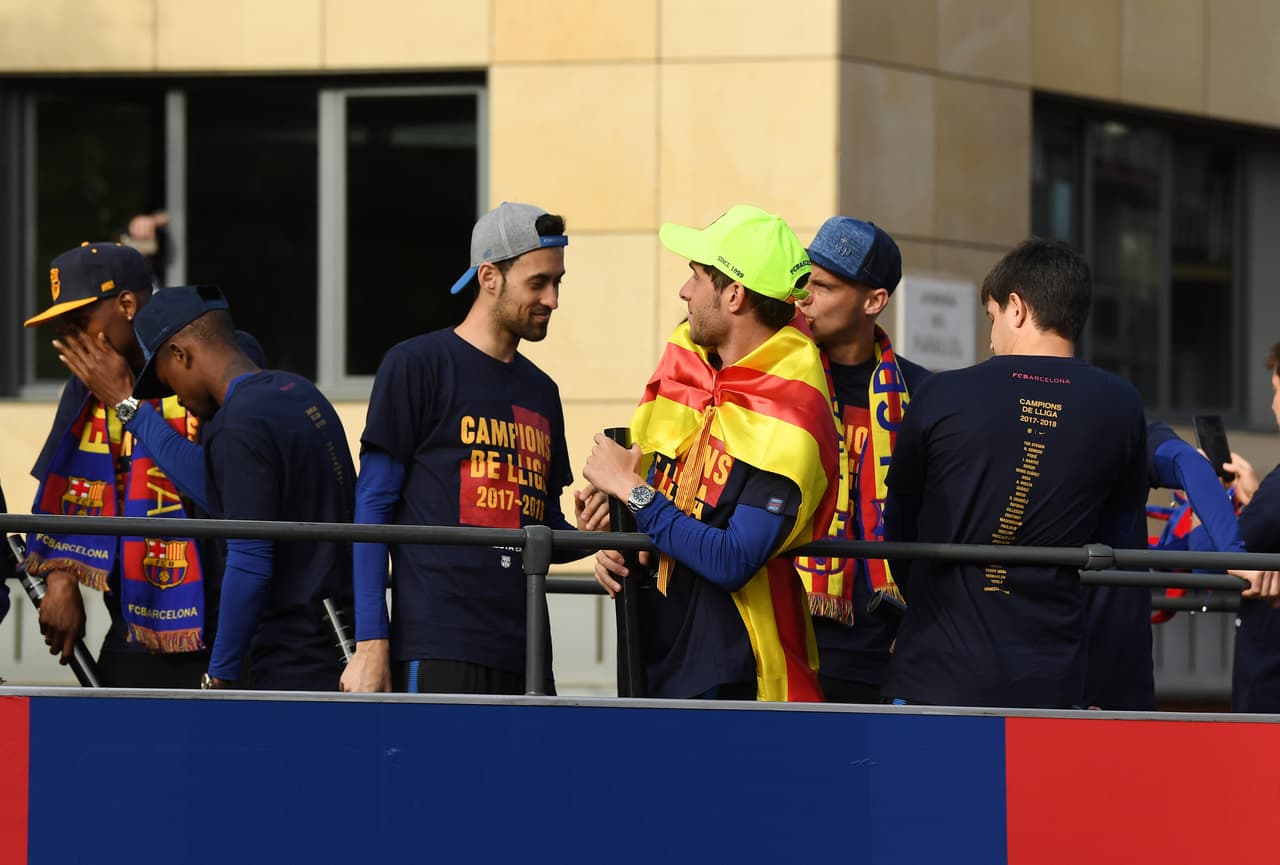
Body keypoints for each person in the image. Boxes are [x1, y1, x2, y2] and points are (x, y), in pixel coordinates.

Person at [585, 204, 839, 702]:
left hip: (739, 676)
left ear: (735, 294)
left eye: (696, 276)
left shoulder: (792, 410)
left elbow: (732, 559)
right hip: (656, 656)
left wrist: (633, 493)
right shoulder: (690, 375)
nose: (684, 291)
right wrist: (615, 534)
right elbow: (661, 513)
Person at [883, 238, 1148, 709]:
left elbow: (899, 526)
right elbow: (1118, 540)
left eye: (991, 318)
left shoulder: (941, 394)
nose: (990, 338)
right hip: (1052, 674)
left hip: (936, 668)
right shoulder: (1121, 404)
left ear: (1017, 308)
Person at [342, 201, 583, 695]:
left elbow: (541, 527)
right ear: (489, 277)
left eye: (558, 282)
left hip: (528, 653)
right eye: (537, 283)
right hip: (437, 644)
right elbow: (373, 505)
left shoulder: (543, 391)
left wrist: (594, 532)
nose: (553, 298)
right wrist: (371, 641)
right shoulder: (417, 365)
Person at [23, 242, 260, 687]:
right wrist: (60, 576)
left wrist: (124, 400)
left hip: (229, 625)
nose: (74, 340)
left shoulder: (213, 352)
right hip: (135, 622)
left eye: (79, 322)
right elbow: (59, 485)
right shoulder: (88, 380)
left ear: (127, 305)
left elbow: (216, 487)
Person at [131, 284, 355, 690]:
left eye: (169, 382)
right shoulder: (299, 391)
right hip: (342, 641)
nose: (177, 400)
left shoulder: (238, 425)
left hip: (293, 657)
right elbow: (220, 489)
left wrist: (219, 674)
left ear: (181, 354)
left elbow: (249, 560)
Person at [793, 216, 930, 703]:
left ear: (874, 301)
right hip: (793, 630)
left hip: (888, 641)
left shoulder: (924, 394)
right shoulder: (782, 380)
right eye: (803, 280)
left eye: (823, 287)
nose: (803, 297)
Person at [1223, 343, 1280, 712]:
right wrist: (1255, 492)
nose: (1274, 405)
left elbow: (1228, 545)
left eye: (1278, 391)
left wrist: (1205, 514)